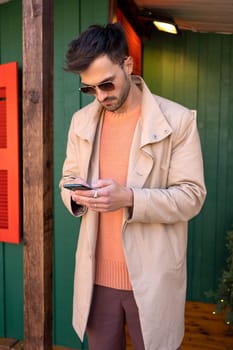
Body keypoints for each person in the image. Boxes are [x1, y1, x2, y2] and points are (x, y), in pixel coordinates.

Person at [59, 22, 206, 350]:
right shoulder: (81, 122)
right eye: (89, 89)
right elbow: (67, 181)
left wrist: (129, 198)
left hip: (151, 280)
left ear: (128, 64)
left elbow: (192, 196)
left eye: (106, 84)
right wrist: (78, 196)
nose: (100, 96)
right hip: (96, 280)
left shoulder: (178, 121)